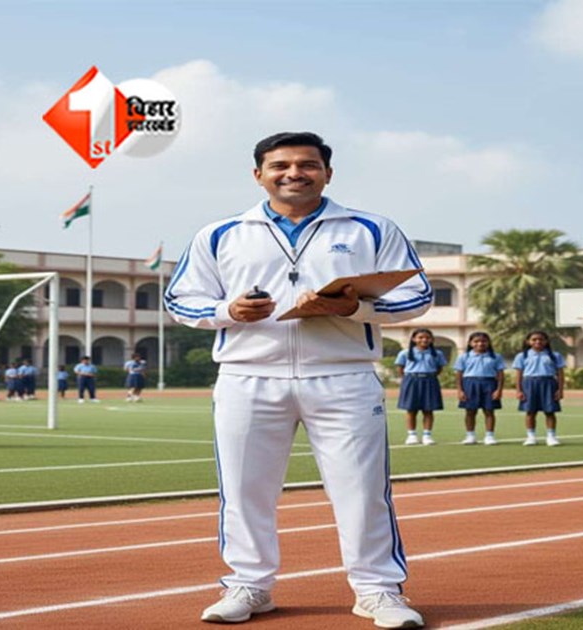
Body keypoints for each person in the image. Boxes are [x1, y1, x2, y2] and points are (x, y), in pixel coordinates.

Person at [165, 132, 431, 627]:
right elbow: (181, 298)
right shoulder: (221, 234)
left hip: (343, 374)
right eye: (280, 165)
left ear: (328, 173)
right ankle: (249, 585)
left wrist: (353, 308)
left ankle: (377, 590)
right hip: (248, 375)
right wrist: (229, 311)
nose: (294, 173)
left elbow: (416, 295)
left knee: (362, 490)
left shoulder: (371, 229)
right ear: (258, 174)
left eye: (308, 165)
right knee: (244, 490)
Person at [393, 329, 446, 446]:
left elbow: (439, 368)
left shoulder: (437, 354)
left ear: (432, 340)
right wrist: (407, 380)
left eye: (427, 337)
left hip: (430, 380)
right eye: (420, 337)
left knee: (428, 409)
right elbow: (400, 368)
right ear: (414, 339)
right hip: (411, 380)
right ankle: (412, 435)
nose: (424, 340)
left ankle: (427, 435)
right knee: (411, 409)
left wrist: (429, 375)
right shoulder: (405, 353)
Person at [512, 331, 565, 446]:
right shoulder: (522, 356)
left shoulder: (554, 355)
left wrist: (560, 390)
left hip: (548, 383)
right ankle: (531, 437)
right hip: (529, 383)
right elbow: (519, 375)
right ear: (528, 341)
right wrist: (519, 390)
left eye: (541, 339)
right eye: (534, 339)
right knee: (530, 412)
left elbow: (560, 374)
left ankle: (551, 437)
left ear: (546, 341)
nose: (538, 342)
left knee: (549, 412)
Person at [454, 332, 505, 446]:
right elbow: (459, 374)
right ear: (470, 343)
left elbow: (500, 375)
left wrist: (499, 390)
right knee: (470, 411)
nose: (480, 344)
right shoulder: (464, 357)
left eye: (483, 341)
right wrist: (460, 390)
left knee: (489, 411)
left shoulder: (495, 357)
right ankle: (470, 436)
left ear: (488, 343)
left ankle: (489, 436)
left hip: (489, 383)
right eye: (476, 341)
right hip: (470, 383)